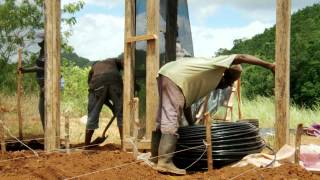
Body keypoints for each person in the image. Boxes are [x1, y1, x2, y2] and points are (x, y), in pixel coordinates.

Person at [151, 54, 275, 175]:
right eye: (230, 81)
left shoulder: (204, 78)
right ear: (224, 75)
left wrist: (192, 124)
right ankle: (165, 162)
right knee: (171, 117)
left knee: (162, 117)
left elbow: (185, 104)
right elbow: (241, 58)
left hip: (167, 73)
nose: (230, 85)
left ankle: (155, 157)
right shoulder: (219, 65)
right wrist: (269, 65)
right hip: (175, 77)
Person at [85, 58, 124, 148]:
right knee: (121, 114)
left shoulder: (94, 67)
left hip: (97, 84)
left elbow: (98, 95)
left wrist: (113, 108)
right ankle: (124, 145)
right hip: (115, 81)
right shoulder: (114, 61)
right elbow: (124, 62)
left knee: (93, 113)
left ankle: (86, 146)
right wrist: (115, 108)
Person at [19, 31, 45, 129]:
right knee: (42, 111)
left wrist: (27, 70)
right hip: (42, 86)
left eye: (41, 41)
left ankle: (50, 137)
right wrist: (25, 70)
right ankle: (47, 135)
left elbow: (45, 68)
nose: (38, 43)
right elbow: (38, 66)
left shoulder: (49, 52)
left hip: (47, 86)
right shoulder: (42, 51)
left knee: (45, 112)